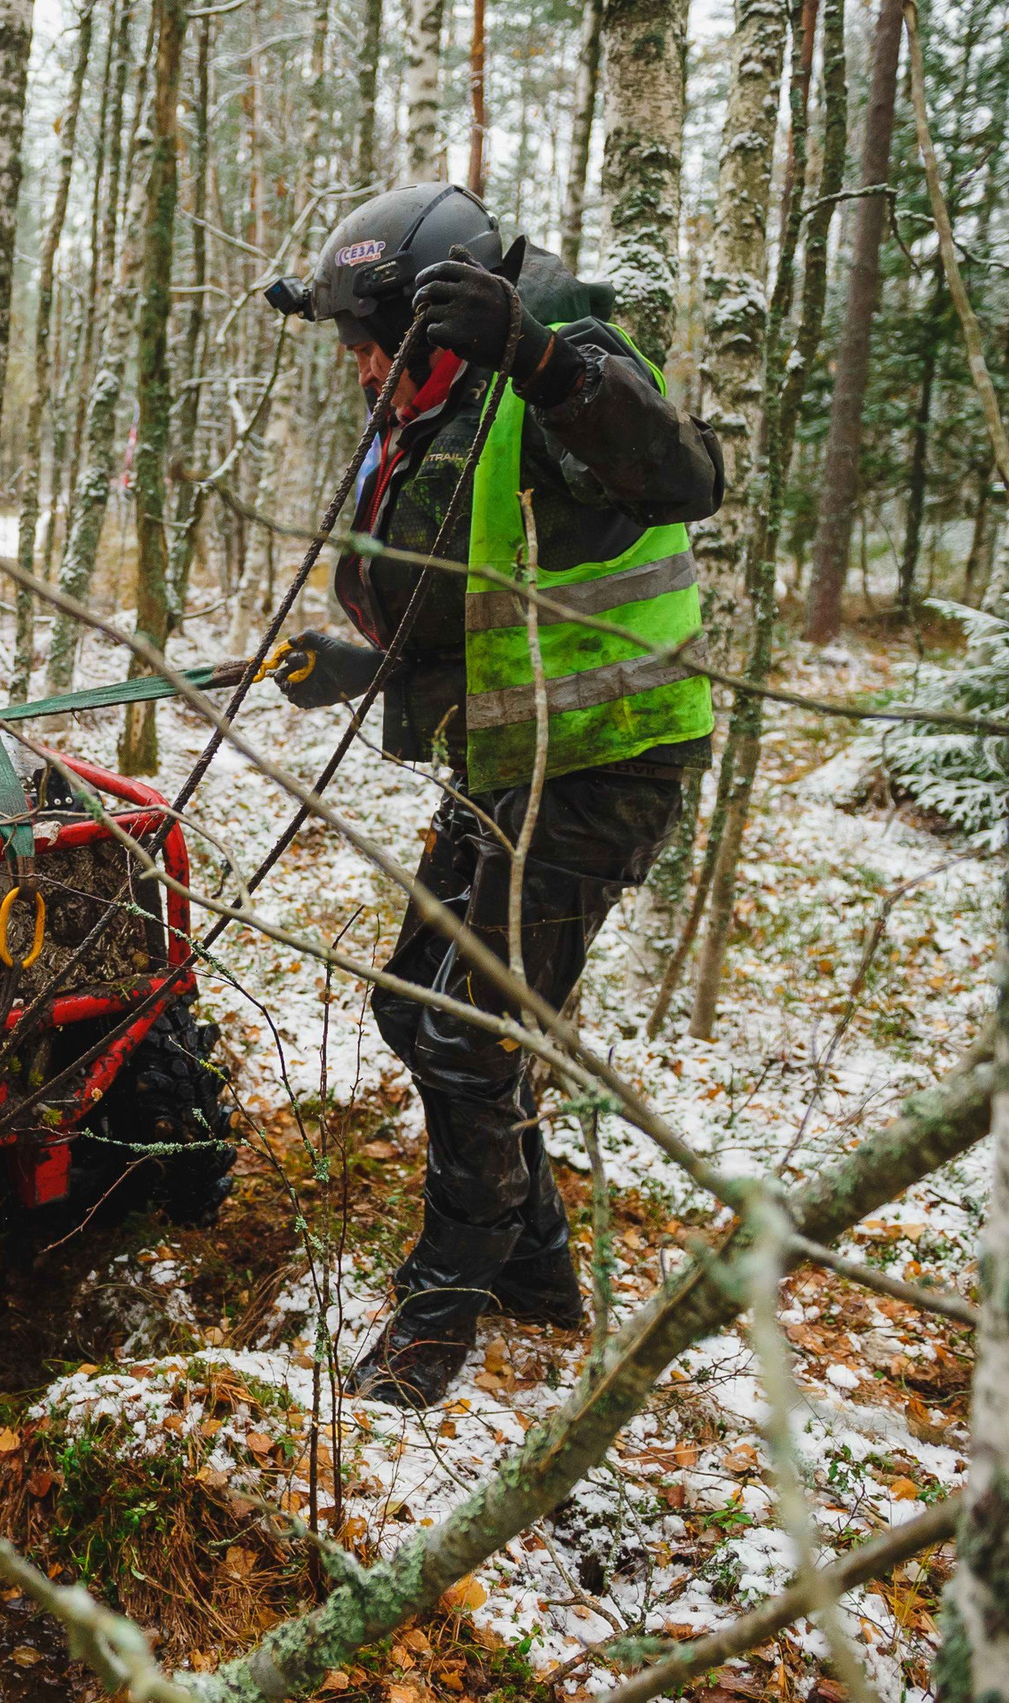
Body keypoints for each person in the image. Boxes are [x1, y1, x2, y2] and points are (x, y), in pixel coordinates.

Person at [261, 184, 726, 1408]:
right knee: (412, 1004)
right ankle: (536, 1267)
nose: (359, 366)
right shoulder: (426, 418)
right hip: (505, 756)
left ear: (444, 324)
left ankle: (438, 1319)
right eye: (350, 341)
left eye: (374, 340)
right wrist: (365, 663)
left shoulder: (550, 375)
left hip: (608, 757)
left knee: (472, 1034)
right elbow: (462, 596)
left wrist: (537, 354)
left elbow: (681, 475)